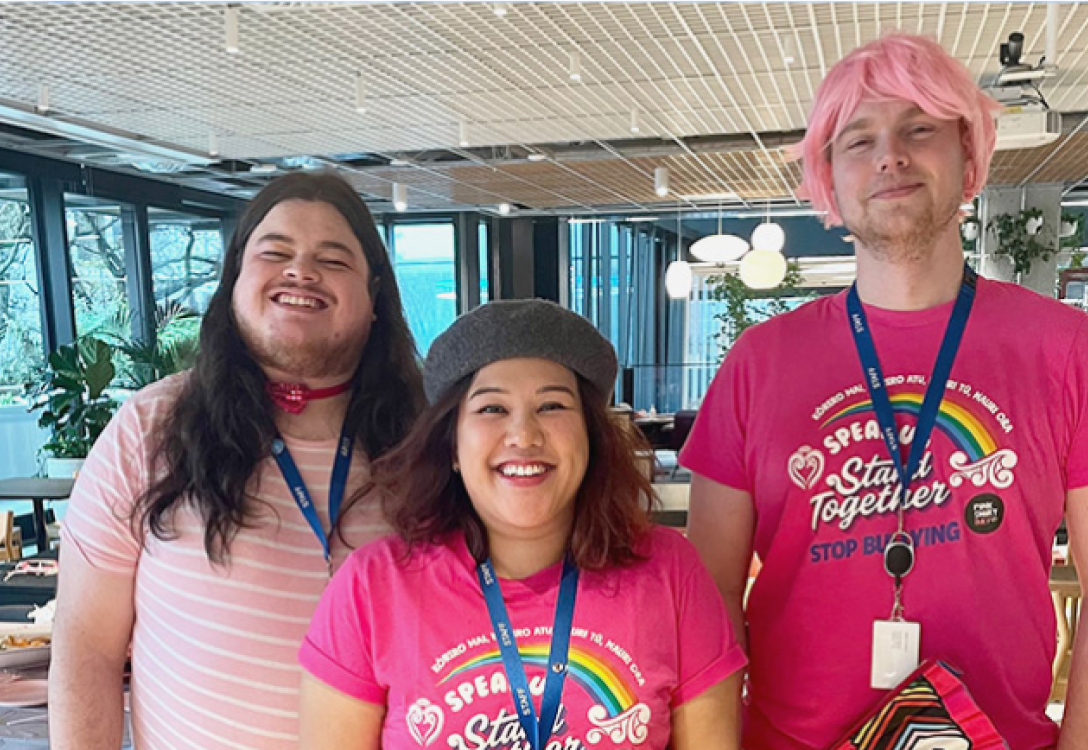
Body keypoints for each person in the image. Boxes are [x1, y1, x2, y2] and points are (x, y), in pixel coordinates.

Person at [682, 33, 1088, 750]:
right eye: (857, 140)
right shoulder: (758, 363)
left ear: (969, 158)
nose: (890, 156)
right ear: (828, 181)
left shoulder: (1065, 349)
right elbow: (706, 609)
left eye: (919, 129)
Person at [50, 172, 424, 750]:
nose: (302, 271)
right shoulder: (151, 428)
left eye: (334, 259)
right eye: (275, 252)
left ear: (375, 299)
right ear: (234, 284)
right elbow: (88, 652)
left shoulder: (426, 443)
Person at [297, 299, 746, 749]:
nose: (524, 436)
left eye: (552, 406)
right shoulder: (372, 587)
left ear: (591, 437)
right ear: (451, 447)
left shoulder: (670, 572)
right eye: (491, 409)